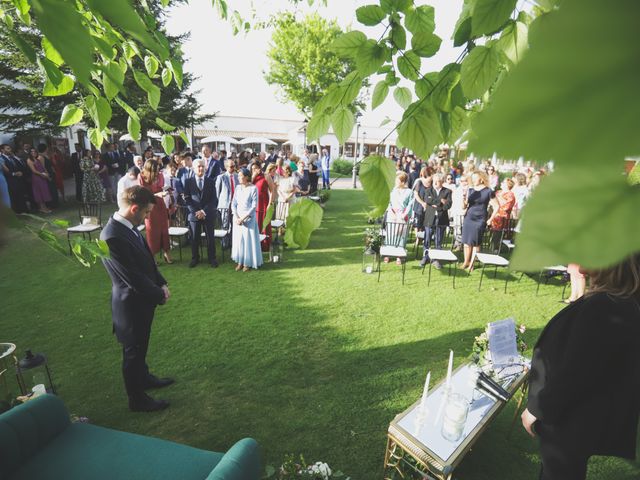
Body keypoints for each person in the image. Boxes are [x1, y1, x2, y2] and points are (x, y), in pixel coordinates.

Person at [522, 254, 640, 480]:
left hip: (571, 421)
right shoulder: (615, 302)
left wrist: (537, 409)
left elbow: (578, 373)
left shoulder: (607, 307)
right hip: (577, 420)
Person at [100, 185, 173, 412]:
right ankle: (137, 399)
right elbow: (131, 276)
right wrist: (159, 294)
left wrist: (161, 282)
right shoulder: (112, 236)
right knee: (132, 352)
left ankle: (145, 378)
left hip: (142, 301)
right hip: (130, 306)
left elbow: (147, 261)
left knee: (141, 345)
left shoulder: (129, 227)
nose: (148, 216)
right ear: (134, 208)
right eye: (146, 212)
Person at [184, 159, 218, 268]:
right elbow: (187, 199)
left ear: (205, 168)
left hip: (208, 214)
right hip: (194, 215)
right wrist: (196, 212)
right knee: (194, 238)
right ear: (194, 168)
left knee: (210, 238)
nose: (201, 168)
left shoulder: (210, 181)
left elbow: (214, 200)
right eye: (199, 166)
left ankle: (212, 258)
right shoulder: (188, 182)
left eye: (203, 166)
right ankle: (195, 258)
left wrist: (204, 211)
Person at [138, 160, 173, 264]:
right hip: (149, 206)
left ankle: (167, 253)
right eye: (156, 170)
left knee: (164, 229)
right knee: (152, 231)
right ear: (150, 169)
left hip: (160, 204)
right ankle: (152, 256)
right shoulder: (142, 177)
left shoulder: (160, 175)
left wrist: (166, 190)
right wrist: (157, 194)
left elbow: (161, 187)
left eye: (158, 169)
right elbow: (142, 194)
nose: (158, 172)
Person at [231, 168, 263, 271]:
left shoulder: (253, 188)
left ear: (247, 177)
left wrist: (243, 218)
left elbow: (254, 206)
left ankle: (247, 263)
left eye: (240, 176)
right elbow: (233, 204)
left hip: (248, 219)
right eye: (238, 176)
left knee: (247, 240)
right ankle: (240, 261)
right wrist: (236, 217)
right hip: (237, 219)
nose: (239, 178)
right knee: (239, 240)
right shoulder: (237, 188)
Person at [420, 174, 452, 269]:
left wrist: (437, 206)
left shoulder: (447, 191)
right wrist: (440, 201)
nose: (435, 183)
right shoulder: (428, 190)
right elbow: (427, 200)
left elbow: (448, 204)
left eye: (438, 181)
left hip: (441, 218)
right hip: (430, 216)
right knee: (427, 238)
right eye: (434, 181)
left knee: (438, 239)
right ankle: (425, 257)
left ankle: (436, 259)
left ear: (442, 182)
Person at [461, 172, 492, 272]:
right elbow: (464, 206)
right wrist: (463, 198)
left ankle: (472, 264)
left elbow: (497, 206)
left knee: (475, 243)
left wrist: (490, 219)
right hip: (469, 217)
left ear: (481, 179)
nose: (473, 180)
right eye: (472, 178)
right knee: (466, 242)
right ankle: (466, 262)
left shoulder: (488, 191)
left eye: (475, 178)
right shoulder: (470, 190)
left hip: (480, 219)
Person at [384, 172, 413, 264]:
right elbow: (388, 202)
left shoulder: (409, 192)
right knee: (390, 234)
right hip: (392, 215)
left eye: (397, 180)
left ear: (403, 182)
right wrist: (392, 212)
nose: (395, 182)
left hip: (403, 216)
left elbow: (410, 205)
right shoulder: (392, 191)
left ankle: (399, 256)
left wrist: (404, 214)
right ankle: (387, 254)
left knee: (401, 235)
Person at [487, 178, 516, 251]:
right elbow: (491, 200)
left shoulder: (510, 195)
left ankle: (496, 247)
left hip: (501, 217)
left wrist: (497, 203)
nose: (501, 183)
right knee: (492, 232)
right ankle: (492, 245)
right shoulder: (498, 192)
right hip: (493, 214)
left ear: (508, 185)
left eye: (503, 182)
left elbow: (507, 206)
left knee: (498, 233)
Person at [1, 144, 28, 212]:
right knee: (14, 196)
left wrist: (20, 172)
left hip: (18, 179)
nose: (10, 150)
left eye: (10, 148)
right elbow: (5, 171)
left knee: (21, 194)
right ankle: (18, 211)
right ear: (2, 150)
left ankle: (24, 209)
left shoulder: (12, 157)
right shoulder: (2, 159)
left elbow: (20, 165)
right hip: (10, 180)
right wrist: (14, 174)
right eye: (7, 148)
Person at [251, 162, 271, 252]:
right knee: (256, 224)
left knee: (264, 224)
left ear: (259, 168)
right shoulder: (252, 178)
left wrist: (271, 203)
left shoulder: (266, 176)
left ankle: (265, 245)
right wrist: (253, 176)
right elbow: (249, 187)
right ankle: (256, 244)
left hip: (264, 203)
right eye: (252, 169)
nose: (254, 170)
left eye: (255, 168)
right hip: (255, 205)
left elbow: (272, 189)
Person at [26, 147, 52, 213]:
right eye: (31, 152)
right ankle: (42, 208)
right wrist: (42, 175)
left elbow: (43, 167)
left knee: (43, 191)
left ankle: (45, 207)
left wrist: (47, 173)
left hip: (42, 176)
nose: (33, 153)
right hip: (36, 177)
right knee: (39, 192)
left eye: (34, 151)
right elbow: (34, 171)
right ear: (30, 153)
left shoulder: (38, 159)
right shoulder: (29, 160)